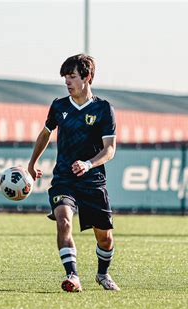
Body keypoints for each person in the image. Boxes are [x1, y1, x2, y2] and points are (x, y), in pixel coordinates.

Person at [28, 54, 119, 292]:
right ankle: (72, 276)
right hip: (64, 179)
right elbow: (46, 133)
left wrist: (89, 164)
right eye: (65, 78)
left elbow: (109, 150)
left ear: (87, 77)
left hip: (92, 180)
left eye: (72, 77)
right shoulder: (59, 106)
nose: (67, 82)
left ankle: (102, 274)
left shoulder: (103, 109)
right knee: (63, 220)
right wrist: (32, 162)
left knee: (105, 238)